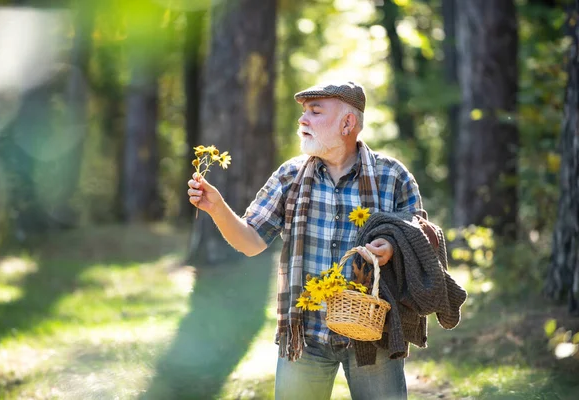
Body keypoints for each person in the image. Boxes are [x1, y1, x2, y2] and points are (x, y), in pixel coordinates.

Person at [187, 81, 466, 400]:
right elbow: (250, 242)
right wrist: (217, 207)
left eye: (315, 112)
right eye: (303, 113)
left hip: (375, 333)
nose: (302, 120)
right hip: (305, 336)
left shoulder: (393, 177)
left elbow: (419, 240)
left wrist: (392, 247)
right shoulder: (289, 176)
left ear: (348, 123)